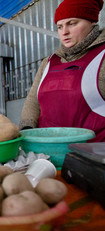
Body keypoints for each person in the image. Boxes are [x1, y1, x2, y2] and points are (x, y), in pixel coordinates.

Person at [19, 0, 105, 142]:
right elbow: (33, 101)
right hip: (47, 152)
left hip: (93, 156)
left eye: (72, 23)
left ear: (91, 22)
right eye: (60, 26)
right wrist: (27, 130)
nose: (64, 32)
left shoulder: (102, 56)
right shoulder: (49, 62)